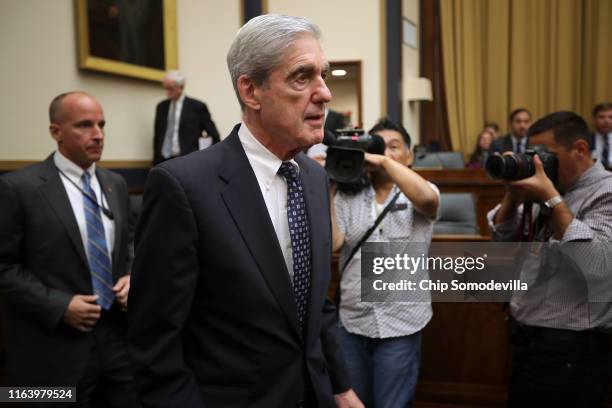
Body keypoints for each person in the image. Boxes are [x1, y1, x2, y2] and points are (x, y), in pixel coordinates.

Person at [128, 14, 362, 408]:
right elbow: (155, 341)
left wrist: (340, 387)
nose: (324, 93)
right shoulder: (183, 187)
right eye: (302, 77)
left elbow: (315, 304)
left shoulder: (314, 179)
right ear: (251, 91)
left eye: (323, 76)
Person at [0, 92, 139, 406]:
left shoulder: (114, 184)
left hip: (117, 341)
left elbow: (128, 245)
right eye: (85, 125)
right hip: (51, 350)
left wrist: (132, 274)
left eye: (102, 124)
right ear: (55, 131)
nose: (99, 134)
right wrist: (59, 306)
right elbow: (4, 267)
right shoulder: (18, 188)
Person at [487, 111, 612, 407]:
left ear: (579, 149)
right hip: (528, 338)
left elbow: (599, 263)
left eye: (546, 155)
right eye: (534, 155)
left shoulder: (605, 191)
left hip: (573, 347)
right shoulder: (547, 189)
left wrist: (553, 199)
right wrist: (512, 195)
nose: (539, 164)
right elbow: (502, 240)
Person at [331, 118, 440, 407]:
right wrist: (331, 184)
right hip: (353, 321)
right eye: (379, 146)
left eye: (394, 147)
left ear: (409, 154)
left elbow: (429, 201)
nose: (386, 153)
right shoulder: (348, 195)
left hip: (400, 323)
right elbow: (334, 244)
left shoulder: (421, 190)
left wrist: (381, 161)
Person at [152, 70, 220, 165]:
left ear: (181, 87)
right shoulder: (161, 107)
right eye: (166, 88)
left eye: (171, 89)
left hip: (188, 161)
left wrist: (205, 159)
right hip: (163, 161)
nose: (167, 93)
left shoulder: (197, 107)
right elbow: (157, 137)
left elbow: (214, 136)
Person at [589, 102, 612, 167]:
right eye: (602, 117)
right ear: (593, 119)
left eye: (610, 117)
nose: (606, 121)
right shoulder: (586, 139)